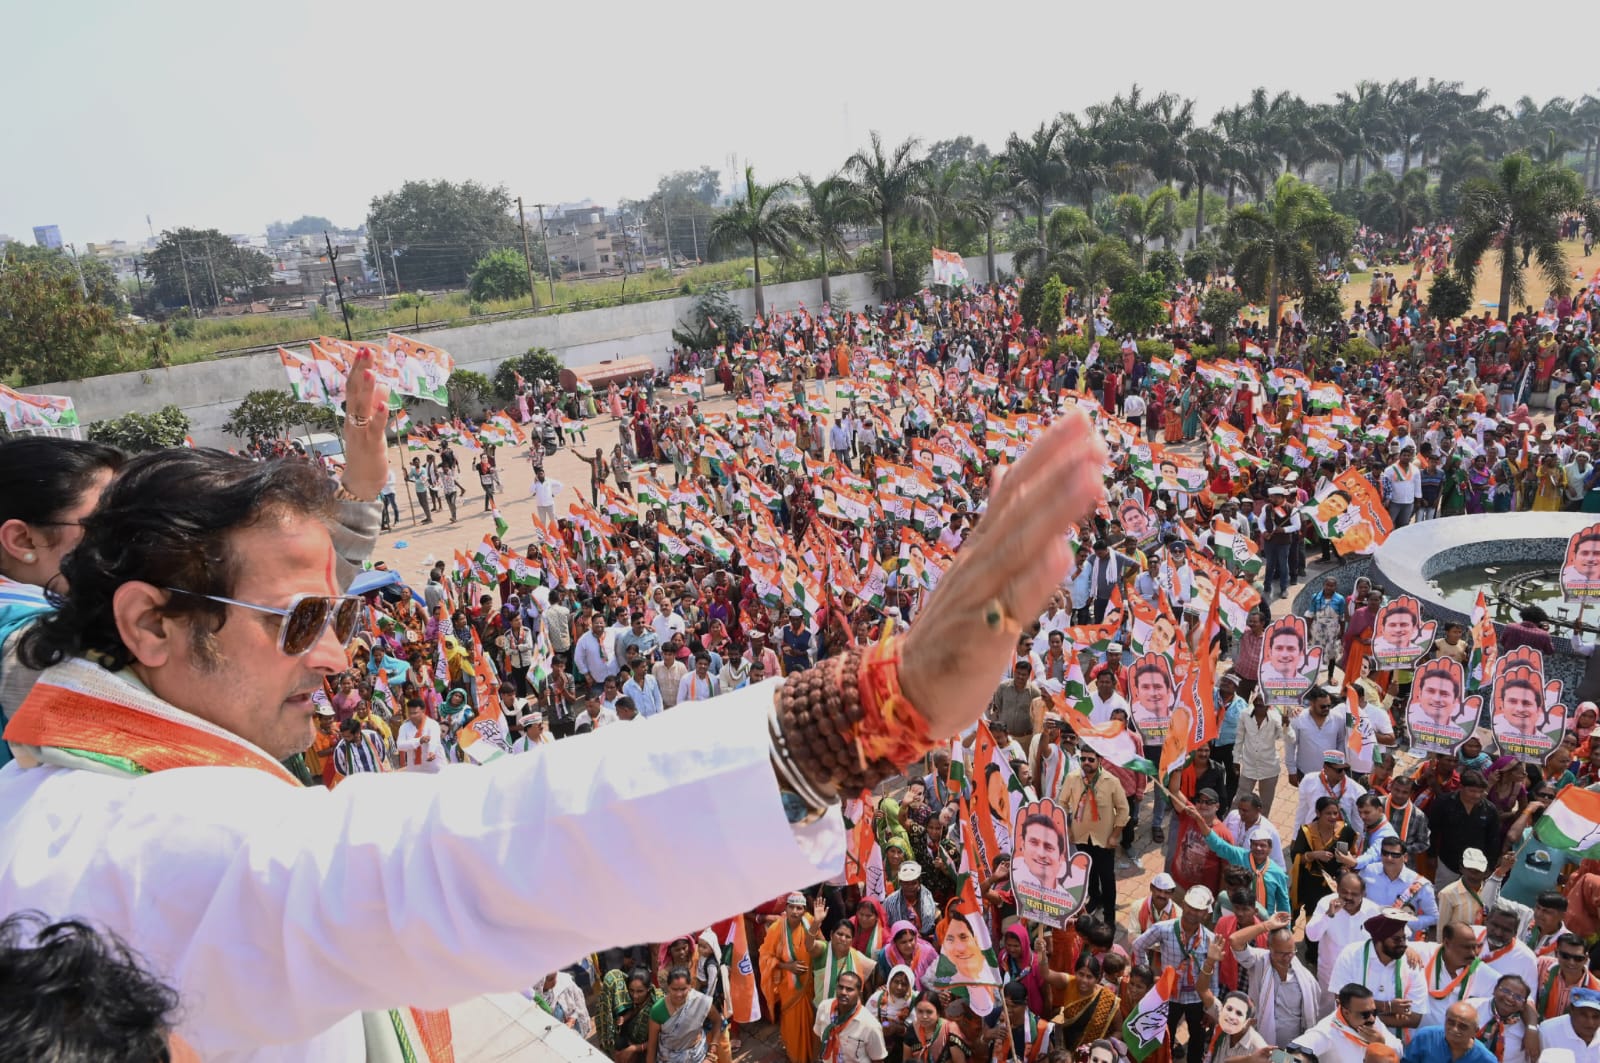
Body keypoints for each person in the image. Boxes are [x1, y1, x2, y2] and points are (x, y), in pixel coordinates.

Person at [1131, 885, 1221, 1063]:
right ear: (1183, 905)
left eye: (1199, 910)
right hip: (1169, 996)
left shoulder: (1210, 938)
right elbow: (1138, 945)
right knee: (1165, 1035)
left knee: (1197, 1036)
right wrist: (1146, 977)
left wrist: (1211, 1007)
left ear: (1206, 914)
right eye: (1190, 907)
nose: (1193, 913)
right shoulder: (1163, 929)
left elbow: (1214, 974)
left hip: (1196, 998)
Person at [1226, 910, 1325, 1047]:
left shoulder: (1304, 977)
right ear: (1269, 948)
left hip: (1294, 1046)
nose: (1287, 958)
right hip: (1261, 1042)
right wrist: (1267, 925)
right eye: (1280, 953)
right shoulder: (1259, 961)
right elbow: (1234, 940)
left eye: (1290, 953)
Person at [1329, 909, 1428, 1039]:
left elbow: (1414, 1018)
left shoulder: (1412, 963)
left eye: (1404, 938)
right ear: (1379, 941)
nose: (1403, 944)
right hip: (1351, 1039)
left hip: (1394, 1045)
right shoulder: (1351, 955)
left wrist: (1360, 1014)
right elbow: (1341, 1003)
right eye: (1396, 939)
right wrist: (1389, 1007)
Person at [1062, 748, 1129, 924]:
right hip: (1081, 836)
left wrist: (1115, 836)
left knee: (1106, 876)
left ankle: (1109, 915)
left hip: (1105, 839)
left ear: (1099, 760)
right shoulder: (1072, 778)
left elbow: (1123, 810)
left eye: (1090, 759)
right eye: (1083, 759)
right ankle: (1094, 899)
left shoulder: (1111, 781)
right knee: (1088, 872)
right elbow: (1062, 803)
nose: (1086, 762)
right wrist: (1068, 828)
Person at [1305, 873, 1381, 1001]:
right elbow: (1312, 936)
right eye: (1344, 892)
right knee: (1328, 1014)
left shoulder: (1373, 910)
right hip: (1330, 974)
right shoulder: (1325, 904)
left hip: (1362, 975)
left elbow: (1392, 935)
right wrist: (1328, 915)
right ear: (1337, 889)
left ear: (1363, 894)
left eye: (1354, 894)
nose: (1348, 897)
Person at [1287, 984, 1404, 1063]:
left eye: (1374, 1012)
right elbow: (1287, 1056)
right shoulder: (1327, 1032)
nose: (1372, 1018)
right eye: (1365, 1014)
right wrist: (1272, 1056)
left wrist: (1381, 1043)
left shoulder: (1372, 1021)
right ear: (1346, 1012)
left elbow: (1399, 1051)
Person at [1402, 1000, 1498, 1063]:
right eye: (1451, 1022)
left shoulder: (1486, 1059)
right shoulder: (1425, 1037)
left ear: (1475, 1031)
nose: (1454, 1029)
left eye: (1463, 1026)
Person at [1205, 991, 1269, 1063]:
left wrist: (1248, 1059)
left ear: (1250, 1022)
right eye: (1229, 1009)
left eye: (1239, 1013)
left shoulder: (1258, 1047)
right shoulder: (1225, 1022)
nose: (1231, 1016)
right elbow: (1203, 990)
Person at [1539, 985, 1600, 1058]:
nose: (1590, 1022)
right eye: (1583, 1015)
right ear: (1571, 1010)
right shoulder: (1547, 1032)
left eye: (1596, 1017)